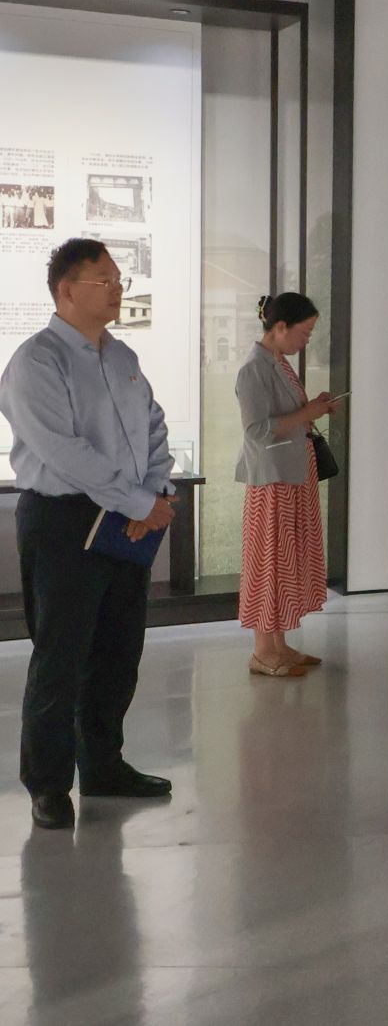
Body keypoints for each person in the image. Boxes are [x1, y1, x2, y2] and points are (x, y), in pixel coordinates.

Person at [0, 238, 177, 831]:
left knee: (117, 651)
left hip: (127, 518)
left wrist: (153, 492)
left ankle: (103, 765)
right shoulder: (36, 362)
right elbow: (63, 452)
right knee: (61, 654)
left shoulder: (122, 355)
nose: (119, 289)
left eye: (120, 280)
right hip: (64, 520)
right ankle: (48, 784)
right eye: (106, 280)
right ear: (66, 289)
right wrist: (140, 502)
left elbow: (153, 425)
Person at [236, 292, 339, 678]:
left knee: (287, 557)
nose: (306, 339)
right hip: (273, 479)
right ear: (280, 327)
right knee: (270, 559)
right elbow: (256, 429)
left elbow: (288, 416)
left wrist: (312, 410)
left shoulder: (277, 363)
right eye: (304, 332)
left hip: (292, 471)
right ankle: (263, 650)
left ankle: (278, 644)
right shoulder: (254, 369)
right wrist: (307, 412)